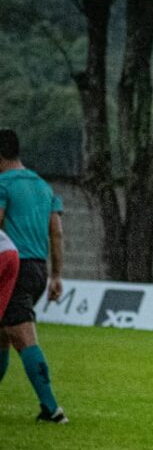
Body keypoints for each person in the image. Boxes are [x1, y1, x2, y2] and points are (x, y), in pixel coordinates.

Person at [0, 129, 66, 423]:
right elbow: (57, 232)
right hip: (38, 268)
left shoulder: (2, 184)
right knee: (2, 335)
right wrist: (56, 275)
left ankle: (52, 408)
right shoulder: (43, 187)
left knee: (23, 336)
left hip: (14, 268)